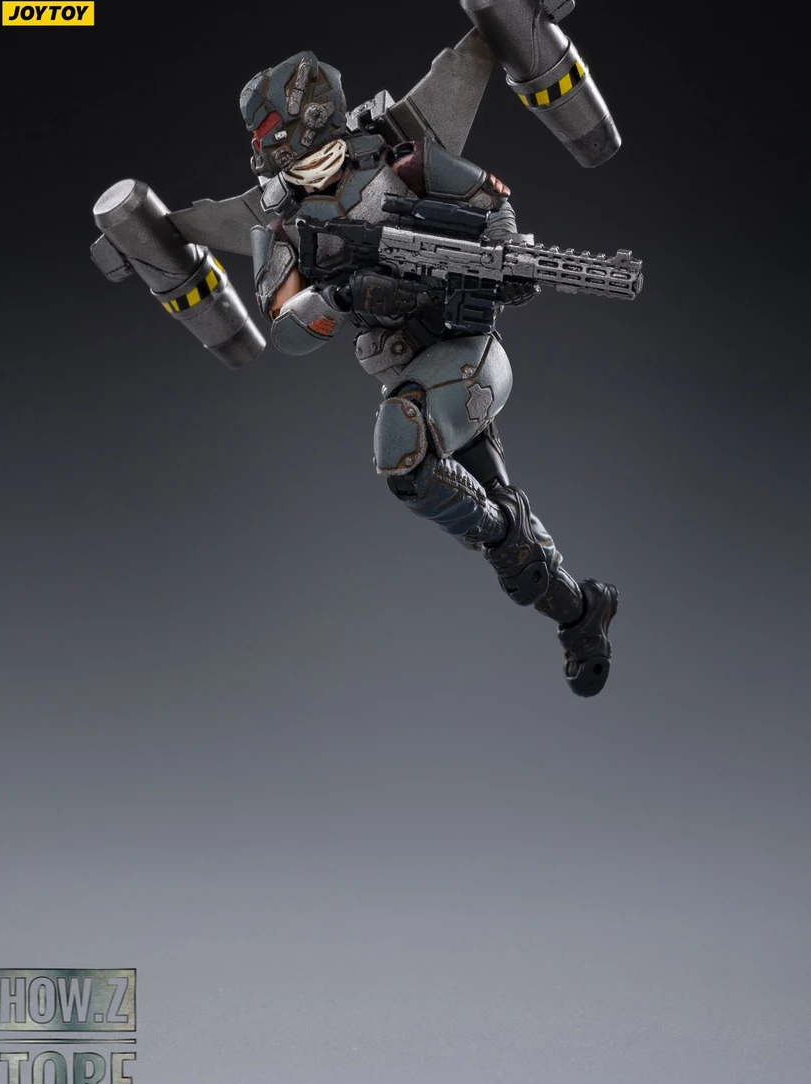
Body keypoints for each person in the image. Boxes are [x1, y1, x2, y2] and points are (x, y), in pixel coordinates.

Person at [241, 51, 617, 697]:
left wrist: (506, 259)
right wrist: (343, 296)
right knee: (512, 549)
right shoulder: (282, 224)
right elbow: (285, 329)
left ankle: (511, 536)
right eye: (272, 144)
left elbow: (493, 203)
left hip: (466, 350)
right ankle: (582, 612)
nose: (279, 152)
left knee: (401, 444)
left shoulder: (402, 163)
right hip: (408, 369)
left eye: (283, 133)